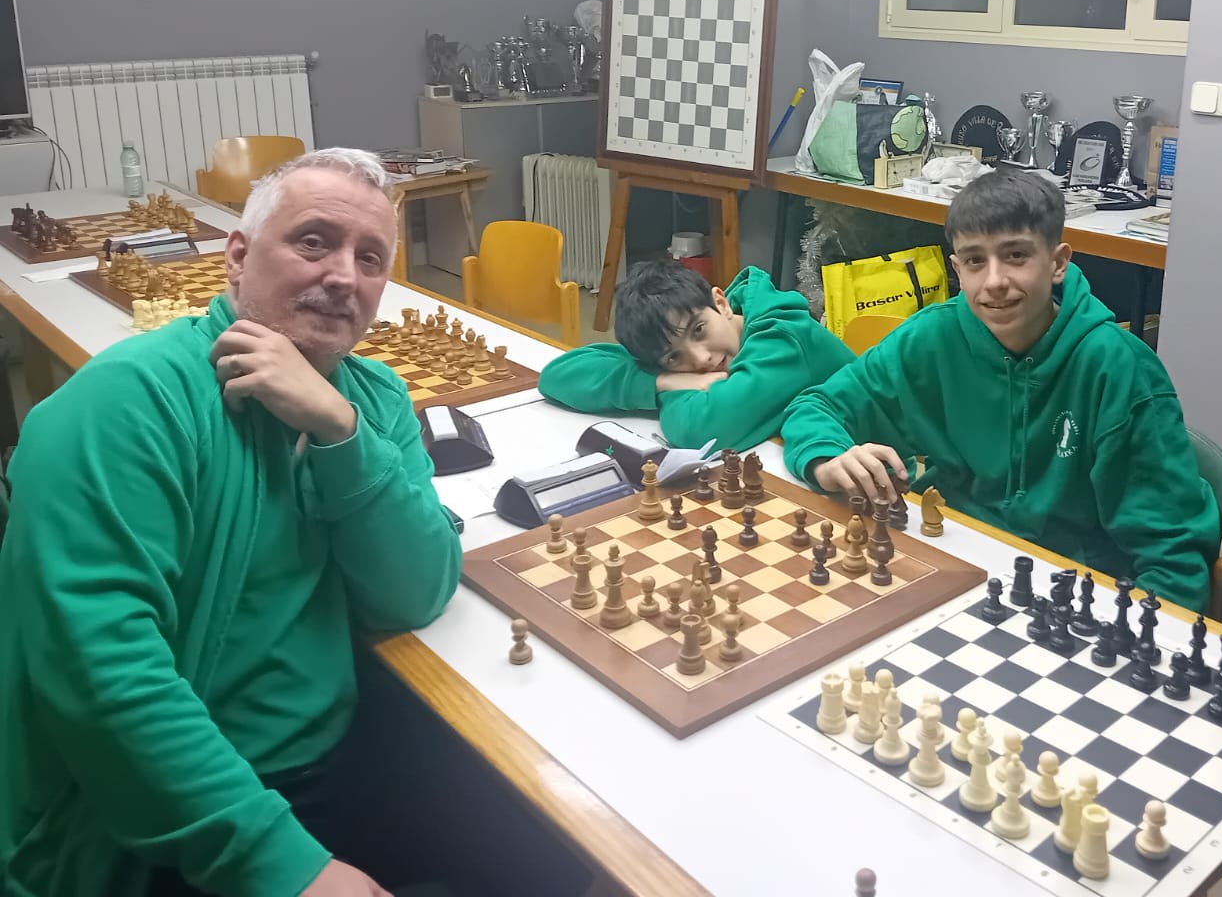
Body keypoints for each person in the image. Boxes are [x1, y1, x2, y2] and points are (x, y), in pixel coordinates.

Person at [0, 148, 463, 897]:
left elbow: (418, 590)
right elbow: (100, 674)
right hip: (166, 813)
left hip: (338, 758)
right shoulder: (126, 403)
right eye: (313, 242)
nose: (344, 276)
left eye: (370, 258)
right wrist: (284, 868)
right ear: (238, 257)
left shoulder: (372, 400)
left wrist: (340, 431)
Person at [780, 169, 1217, 611]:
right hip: (954, 558)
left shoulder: (1119, 368)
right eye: (975, 261)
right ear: (957, 269)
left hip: (1069, 591)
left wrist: (1145, 633)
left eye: (1016, 255)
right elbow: (817, 407)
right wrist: (827, 458)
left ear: (1058, 262)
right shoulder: (931, 338)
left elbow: (1174, 557)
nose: (994, 281)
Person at [539, 260, 855, 452]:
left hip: (873, 466)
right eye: (673, 357)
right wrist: (664, 381)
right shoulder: (692, 336)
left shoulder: (783, 340)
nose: (701, 359)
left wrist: (671, 388)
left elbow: (697, 429)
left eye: (699, 330)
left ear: (721, 303)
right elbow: (557, 376)